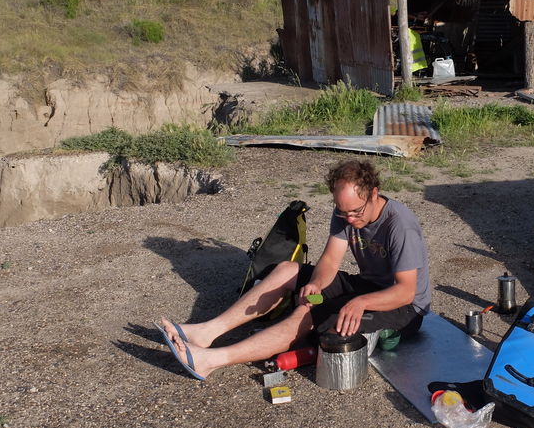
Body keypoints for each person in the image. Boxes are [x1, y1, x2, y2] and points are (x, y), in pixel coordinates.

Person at [158, 160, 431, 380]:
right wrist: (316, 284)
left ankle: (211, 360)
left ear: (373, 193)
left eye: (356, 212)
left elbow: (406, 292)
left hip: (404, 310)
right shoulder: (345, 212)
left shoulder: (400, 225)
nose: (349, 219)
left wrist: (360, 302)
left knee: (308, 313)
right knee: (288, 270)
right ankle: (207, 332)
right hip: (368, 287)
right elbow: (330, 261)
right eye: (342, 211)